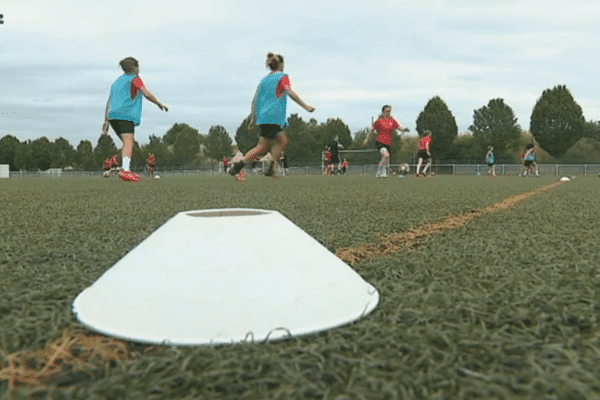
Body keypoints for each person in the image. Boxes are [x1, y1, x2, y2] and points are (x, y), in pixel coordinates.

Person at [230, 52, 315, 181]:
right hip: (273, 117)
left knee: (263, 147)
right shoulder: (282, 77)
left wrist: (253, 119)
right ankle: (243, 168)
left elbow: (254, 100)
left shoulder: (264, 80)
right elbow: (289, 92)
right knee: (279, 142)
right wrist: (305, 106)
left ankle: (266, 168)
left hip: (263, 117)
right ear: (280, 64)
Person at [102, 57, 168, 182]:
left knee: (128, 142)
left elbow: (109, 101)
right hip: (124, 114)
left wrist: (106, 121)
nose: (139, 69)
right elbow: (145, 93)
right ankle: (125, 171)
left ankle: (127, 169)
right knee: (128, 142)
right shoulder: (135, 79)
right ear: (134, 67)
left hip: (112, 116)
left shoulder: (116, 82)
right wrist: (159, 103)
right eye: (138, 66)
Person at [363, 105, 402, 178]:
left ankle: (383, 173)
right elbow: (371, 130)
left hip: (388, 143)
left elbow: (398, 127)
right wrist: (367, 139)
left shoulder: (392, 121)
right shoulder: (379, 121)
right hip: (380, 142)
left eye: (389, 111)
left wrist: (403, 129)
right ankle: (379, 170)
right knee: (386, 155)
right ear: (383, 112)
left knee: (386, 159)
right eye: (387, 111)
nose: (388, 113)